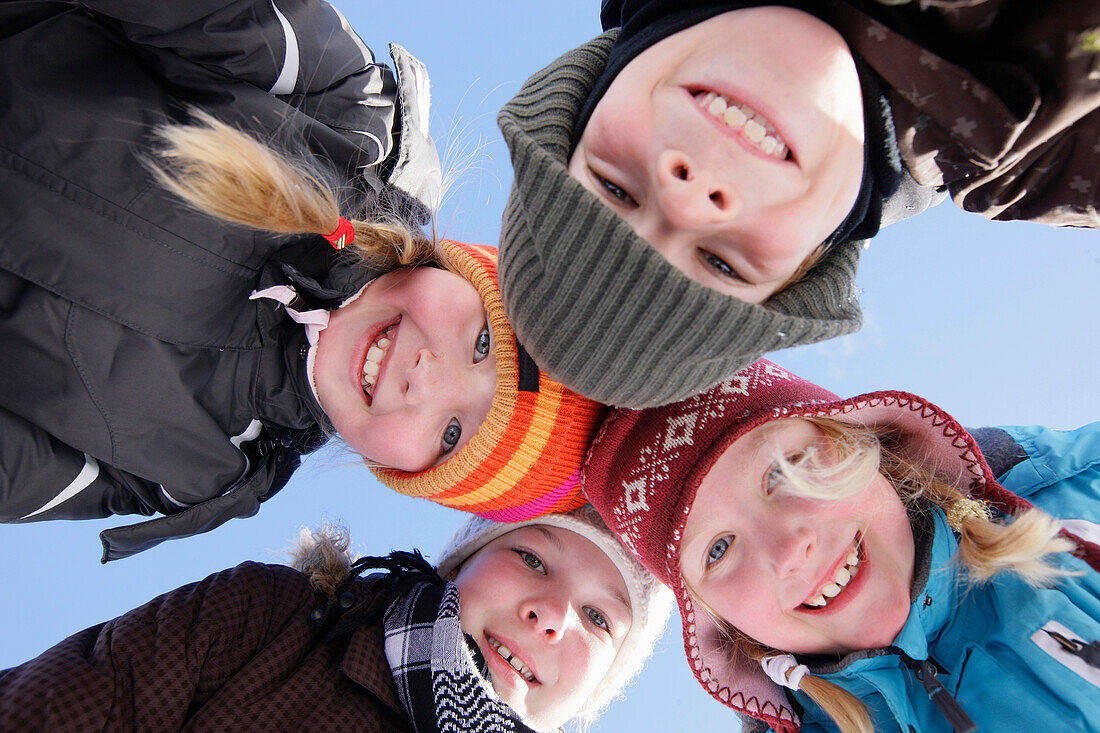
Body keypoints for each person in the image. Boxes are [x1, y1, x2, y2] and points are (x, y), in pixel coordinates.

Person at [0, 0, 604, 561]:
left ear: (401, 472)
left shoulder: (205, 468)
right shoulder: (347, 128)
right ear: (468, 273)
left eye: (451, 434)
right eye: (483, 345)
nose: (427, 378)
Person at [494, 0, 1100, 408]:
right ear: (811, 266)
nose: (687, 198)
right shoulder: (1054, 159)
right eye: (721, 264)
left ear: (582, 103)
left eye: (614, 191)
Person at [583, 359, 1100, 732]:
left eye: (787, 470)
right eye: (718, 549)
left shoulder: (1083, 495)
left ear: (861, 445)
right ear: (720, 622)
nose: (787, 551)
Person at [0, 506, 672, 732]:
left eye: (598, 617)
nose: (551, 614)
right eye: (530, 556)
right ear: (459, 562)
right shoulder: (280, 622)